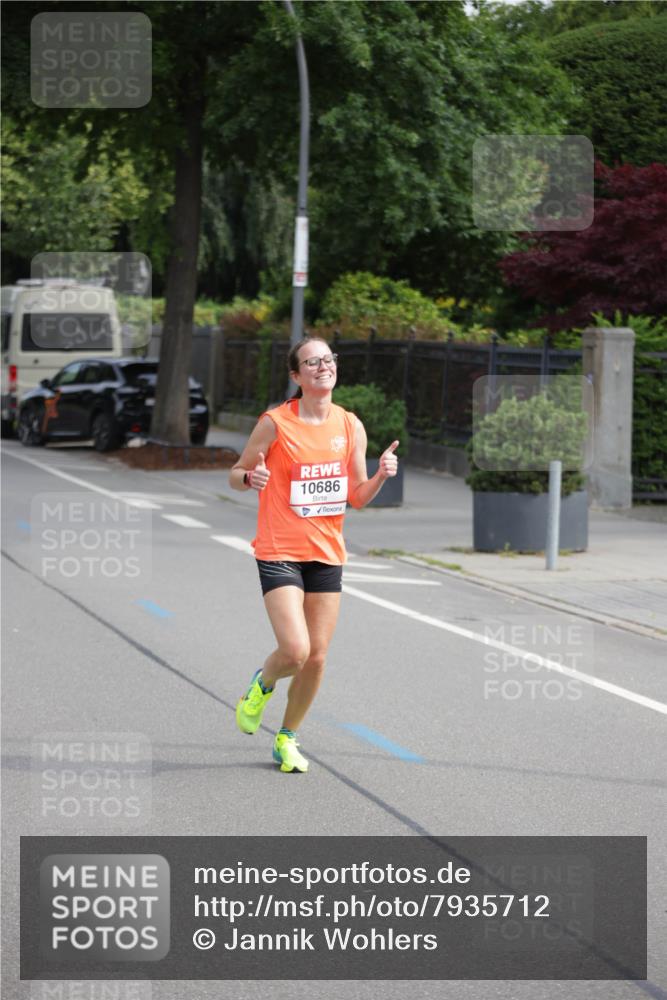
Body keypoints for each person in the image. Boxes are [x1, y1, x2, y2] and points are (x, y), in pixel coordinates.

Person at [229, 336, 399, 773]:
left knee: (318, 656)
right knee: (296, 650)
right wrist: (252, 478)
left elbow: (356, 497)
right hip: (280, 547)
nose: (323, 367)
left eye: (328, 360)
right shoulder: (275, 423)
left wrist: (380, 474)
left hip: (326, 552)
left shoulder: (350, 426)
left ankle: (287, 738)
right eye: (312, 362)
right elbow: (235, 473)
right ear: (296, 375)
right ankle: (262, 684)